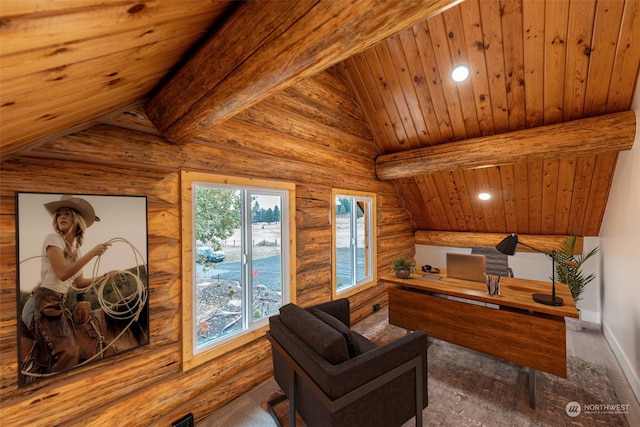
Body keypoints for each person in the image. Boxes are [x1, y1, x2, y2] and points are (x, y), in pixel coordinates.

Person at [21, 195, 113, 374]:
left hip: (55, 304)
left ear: (76, 220)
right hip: (42, 303)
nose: (61, 216)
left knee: (80, 344)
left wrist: (105, 276)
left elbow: (79, 283)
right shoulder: (53, 239)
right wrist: (93, 253)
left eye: (67, 213)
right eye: (59, 214)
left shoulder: (75, 251)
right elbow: (63, 273)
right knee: (69, 353)